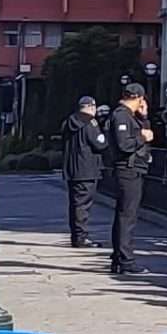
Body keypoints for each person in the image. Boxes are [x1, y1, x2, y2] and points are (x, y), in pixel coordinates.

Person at [102, 76, 156, 278]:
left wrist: (143, 119)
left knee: (126, 215)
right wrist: (143, 136)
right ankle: (125, 259)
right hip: (128, 169)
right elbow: (125, 144)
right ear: (139, 98)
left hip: (132, 168)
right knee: (127, 216)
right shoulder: (122, 116)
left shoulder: (130, 116)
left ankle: (120, 257)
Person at [60, 94, 106, 247]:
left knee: (75, 203)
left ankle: (76, 235)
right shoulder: (89, 123)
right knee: (83, 204)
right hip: (87, 168)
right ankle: (81, 237)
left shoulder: (69, 122)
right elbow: (100, 143)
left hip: (72, 168)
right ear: (91, 107)